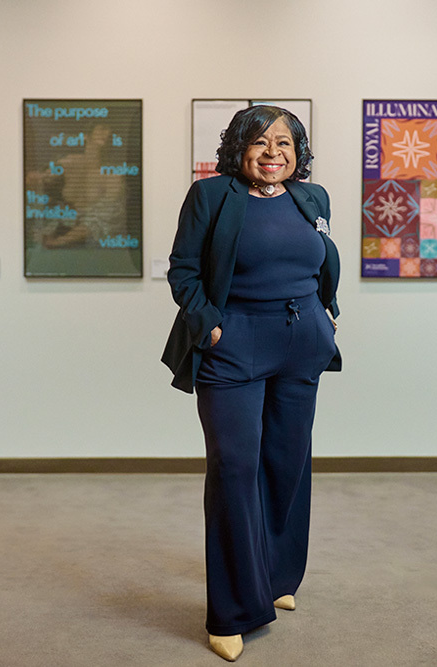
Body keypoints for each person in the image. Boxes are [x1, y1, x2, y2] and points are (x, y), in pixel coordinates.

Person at [161, 105, 342, 661]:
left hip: (299, 341)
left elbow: (319, 261)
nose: (273, 154)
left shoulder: (313, 198)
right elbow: (183, 269)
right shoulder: (212, 196)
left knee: (287, 461)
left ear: (298, 152)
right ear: (239, 148)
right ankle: (234, 611)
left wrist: (327, 312)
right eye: (260, 143)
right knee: (236, 467)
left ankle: (277, 577)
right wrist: (210, 326)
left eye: (284, 144)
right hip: (234, 342)